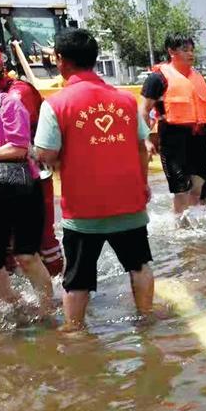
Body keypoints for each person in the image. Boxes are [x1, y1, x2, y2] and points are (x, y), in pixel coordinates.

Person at [33, 29, 154, 329]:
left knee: (77, 279)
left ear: (61, 60)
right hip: (129, 202)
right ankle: (147, 321)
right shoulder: (125, 101)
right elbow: (143, 148)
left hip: (84, 210)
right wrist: (142, 184)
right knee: (139, 265)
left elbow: (45, 153)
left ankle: (75, 334)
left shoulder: (56, 104)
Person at [0, 41, 64, 276]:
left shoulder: (16, 94)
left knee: (43, 239)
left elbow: (17, 145)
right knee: (2, 243)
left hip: (30, 175)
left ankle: (55, 289)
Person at [139, 34, 206, 219]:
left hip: (197, 136)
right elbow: (142, 110)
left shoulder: (199, 79)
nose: (190, 54)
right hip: (172, 138)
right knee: (180, 188)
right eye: (185, 50)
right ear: (171, 51)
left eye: (192, 50)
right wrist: (147, 139)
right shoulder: (157, 79)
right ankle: (179, 229)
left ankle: (198, 224)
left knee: (199, 185)